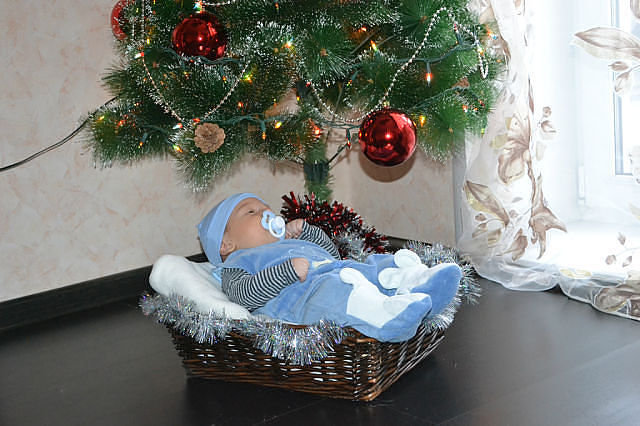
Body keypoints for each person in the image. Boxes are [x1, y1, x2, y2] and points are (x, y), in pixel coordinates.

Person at [197, 192, 462, 342]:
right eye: (251, 212)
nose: (266, 213)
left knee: (375, 265)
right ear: (226, 244)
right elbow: (244, 295)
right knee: (335, 292)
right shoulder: (236, 263)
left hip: (339, 269)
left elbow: (331, 254)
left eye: (266, 208)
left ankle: (416, 281)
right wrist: (286, 272)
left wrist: (307, 233)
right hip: (304, 296)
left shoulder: (289, 243)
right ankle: (384, 316)